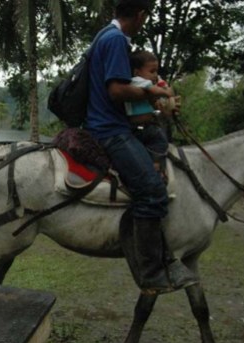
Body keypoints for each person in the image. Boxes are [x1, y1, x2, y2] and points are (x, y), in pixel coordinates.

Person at [84, 0, 197, 294]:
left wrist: (160, 110)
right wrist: (155, 90)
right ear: (140, 14)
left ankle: (163, 258)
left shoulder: (105, 36)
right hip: (110, 131)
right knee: (153, 192)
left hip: (114, 126)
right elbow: (117, 90)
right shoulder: (116, 40)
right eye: (144, 18)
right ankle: (150, 272)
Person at [125, 50, 176, 181]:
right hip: (143, 127)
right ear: (137, 72)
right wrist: (167, 92)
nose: (155, 76)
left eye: (156, 72)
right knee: (160, 142)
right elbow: (155, 90)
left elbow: (153, 102)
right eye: (152, 71)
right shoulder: (138, 81)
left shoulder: (139, 85)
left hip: (139, 127)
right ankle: (156, 167)